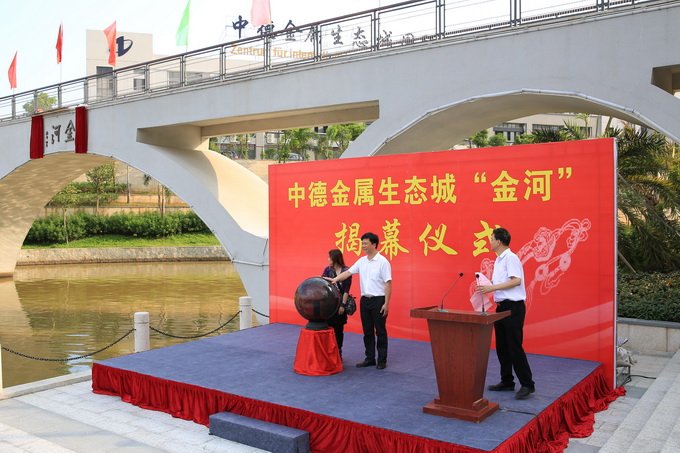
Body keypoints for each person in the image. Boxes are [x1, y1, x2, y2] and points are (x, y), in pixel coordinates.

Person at [476, 227, 535, 400]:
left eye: (491, 239)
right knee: (502, 346)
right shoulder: (498, 260)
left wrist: (492, 287)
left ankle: (527, 384)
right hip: (501, 307)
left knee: (514, 346)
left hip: (513, 307)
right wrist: (487, 285)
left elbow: (516, 281)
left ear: (499, 241)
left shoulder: (511, 257)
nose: (489, 242)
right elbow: (502, 283)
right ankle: (507, 381)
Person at [329, 232, 392, 370]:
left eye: (365, 243)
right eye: (362, 243)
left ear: (374, 244)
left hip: (379, 300)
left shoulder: (383, 262)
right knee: (367, 331)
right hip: (365, 301)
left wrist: (386, 303)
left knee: (380, 331)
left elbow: (388, 283)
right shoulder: (361, 261)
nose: (363, 246)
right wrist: (335, 280)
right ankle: (370, 358)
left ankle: (382, 360)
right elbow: (348, 273)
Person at [321, 249, 352, 357]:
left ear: (335, 259)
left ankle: (338, 352)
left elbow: (346, 290)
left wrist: (343, 305)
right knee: (328, 329)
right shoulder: (327, 270)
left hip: (340, 305)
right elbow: (323, 285)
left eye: (329, 258)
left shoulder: (346, 271)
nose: (328, 259)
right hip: (329, 305)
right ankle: (328, 352)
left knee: (339, 330)